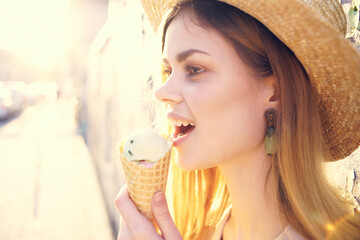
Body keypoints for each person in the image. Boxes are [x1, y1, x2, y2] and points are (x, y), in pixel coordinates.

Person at [114, 0, 360, 239]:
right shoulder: (194, 233)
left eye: (195, 69)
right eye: (168, 71)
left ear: (275, 93)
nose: (161, 92)